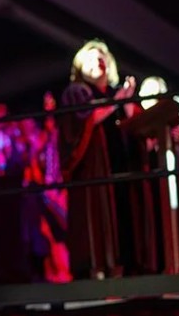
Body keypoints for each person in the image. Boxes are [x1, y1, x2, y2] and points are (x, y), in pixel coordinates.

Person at [57, 40, 138, 279]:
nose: (98, 62)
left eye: (102, 58)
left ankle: (124, 270)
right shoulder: (77, 92)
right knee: (98, 221)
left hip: (119, 167)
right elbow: (85, 121)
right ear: (80, 66)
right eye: (91, 58)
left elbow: (131, 127)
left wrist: (127, 102)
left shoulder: (115, 94)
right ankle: (99, 272)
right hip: (93, 171)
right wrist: (118, 101)